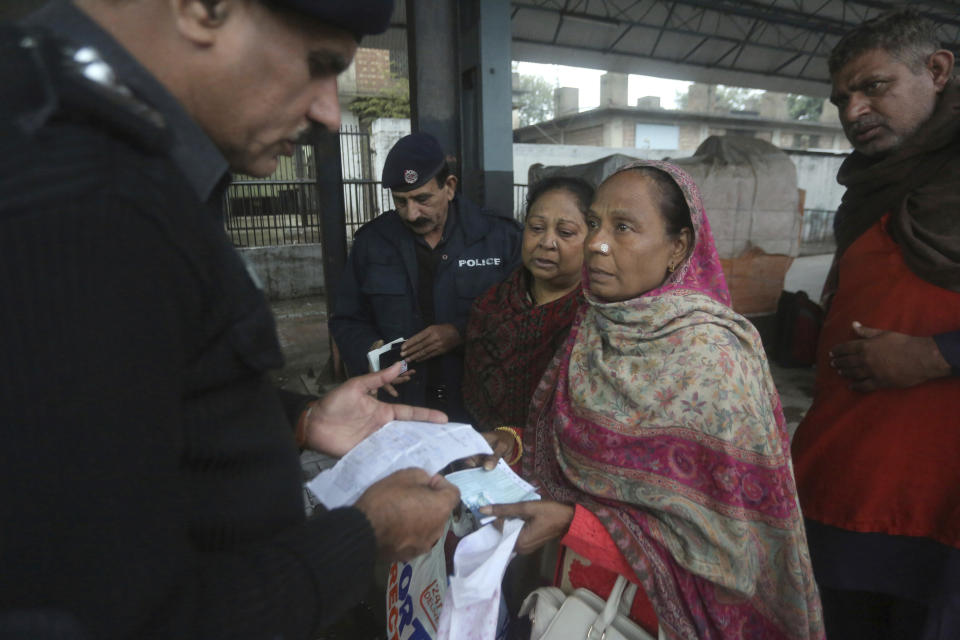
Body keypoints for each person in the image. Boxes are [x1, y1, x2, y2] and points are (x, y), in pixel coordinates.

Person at [0, 1, 460, 638]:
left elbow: (140, 403)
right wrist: (363, 540)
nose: (329, 111)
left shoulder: (91, 144)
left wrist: (298, 419)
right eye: (320, 64)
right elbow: (113, 617)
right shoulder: (77, 199)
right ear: (205, 8)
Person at [481, 161, 824, 639]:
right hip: (570, 599)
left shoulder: (714, 359)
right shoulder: (593, 328)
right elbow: (567, 446)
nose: (597, 243)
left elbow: (727, 547)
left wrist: (574, 525)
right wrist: (514, 444)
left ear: (678, 247)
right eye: (596, 224)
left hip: (658, 615)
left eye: (624, 228)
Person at [789, 9, 960, 638]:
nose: (854, 111)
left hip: (935, 501)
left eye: (875, 87)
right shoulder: (874, 184)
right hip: (844, 476)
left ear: (937, 70)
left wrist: (936, 354)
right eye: (842, 98)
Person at [330, 132, 522, 422]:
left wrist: (461, 332)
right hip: (400, 406)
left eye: (422, 199)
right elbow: (346, 318)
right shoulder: (372, 243)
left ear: (449, 187)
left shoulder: (500, 238)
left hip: (479, 407)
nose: (411, 213)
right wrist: (372, 354)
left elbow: (522, 314)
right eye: (400, 201)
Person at [462, 176, 592, 433]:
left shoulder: (596, 319)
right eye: (536, 228)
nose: (546, 242)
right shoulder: (491, 305)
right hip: (485, 455)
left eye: (565, 233)